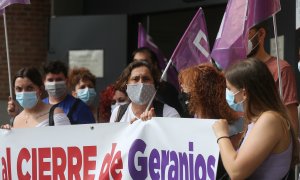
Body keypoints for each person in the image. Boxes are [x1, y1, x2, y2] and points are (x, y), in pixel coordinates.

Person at [213, 58, 299, 179]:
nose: (227, 94)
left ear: (244, 93)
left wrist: (221, 134)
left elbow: (236, 172)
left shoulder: (270, 120)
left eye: (230, 89)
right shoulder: (261, 119)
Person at [247, 20, 299, 136]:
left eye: (247, 33)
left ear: (261, 34)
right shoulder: (233, 71)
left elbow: (293, 126)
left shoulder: (280, 69)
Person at [109, 60, 180, 123]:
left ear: (155, 85)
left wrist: (157, 123)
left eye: (146, 79)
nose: (141, 83)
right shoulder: (118, 113)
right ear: (126, 84)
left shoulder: (169, 114)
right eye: (135, 79)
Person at [4, 67, 70, 128]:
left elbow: (67, 139)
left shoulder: (55, 114)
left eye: (29, 88)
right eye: (18, 89)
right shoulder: (16, 120)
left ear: (40, 89)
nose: (23, 93)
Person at [132, 47, 190, 117]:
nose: (138, 66)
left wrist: (155, 120)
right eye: (135, 62)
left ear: (154, 65)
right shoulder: (119, 111)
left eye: (144, 62)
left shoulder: (166, 91)